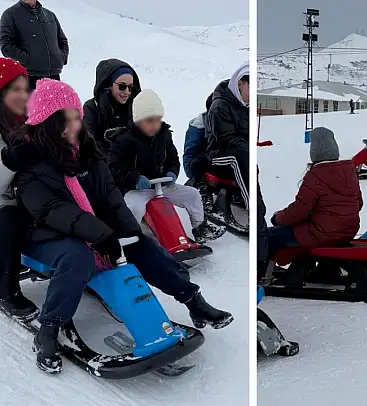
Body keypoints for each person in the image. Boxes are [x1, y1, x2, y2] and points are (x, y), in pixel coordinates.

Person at [4, 79, 233, 374]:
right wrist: (101, 235)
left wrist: (128, 232)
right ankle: (49, 329)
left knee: (141, 244)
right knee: (77, 257)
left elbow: (110, 199)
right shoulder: (32, 165)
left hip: (88, 226)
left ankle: (193, 300)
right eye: (66, 119)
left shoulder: (87, 153)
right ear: (48, 124)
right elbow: (52, 210)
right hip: (44, 234)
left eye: (76, 117)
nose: (75, 125)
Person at [107, 89, 225, 243]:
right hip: (137, 189)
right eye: (149, 120)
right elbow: (114, 168)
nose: (154, 125)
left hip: (162, 185)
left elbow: (173, 158)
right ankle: (132, 238)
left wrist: (172, 172)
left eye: (157, 120)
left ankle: (200, 227)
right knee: (134, 207)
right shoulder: (123, 140)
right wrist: (134, 178)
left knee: (192, 194)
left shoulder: (164, 135)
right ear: (138, 120)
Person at [267, 127, 362, 258]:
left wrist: (278, 218)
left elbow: (300, 210)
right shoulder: (349, 172)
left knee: (266, 237)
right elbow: (359, 204)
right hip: (348, 232)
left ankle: (261, 268)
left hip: (322, 234)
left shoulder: (316, 175)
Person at [0, 57, 35, 319]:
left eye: (26, 89)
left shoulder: (31, 123)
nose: (24, 95)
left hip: (30, 198)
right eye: (16, 89)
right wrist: (13, 161)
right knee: (9, 222)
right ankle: (6, 289)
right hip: (4, 203)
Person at [205, 63, 249, 211]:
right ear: (240, 84)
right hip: (218, 153)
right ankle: (253, 207)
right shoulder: (220, 106)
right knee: (242, 158)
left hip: (238, 151)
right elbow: (226, 138)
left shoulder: (244, 105)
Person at [0, 0, 68, 90]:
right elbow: (6, 45)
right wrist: (28, 61)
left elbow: (62, 40)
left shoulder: (49, 15)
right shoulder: (11, 14)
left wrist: (61, 58)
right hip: (29, 78)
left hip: (54, 77)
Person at [83, 59, 141, 154]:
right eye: (122, 86)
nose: (127, 92)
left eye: (130, 87)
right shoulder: (92, 107)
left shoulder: (135, 107)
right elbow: (90, 143)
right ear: (109, 85)